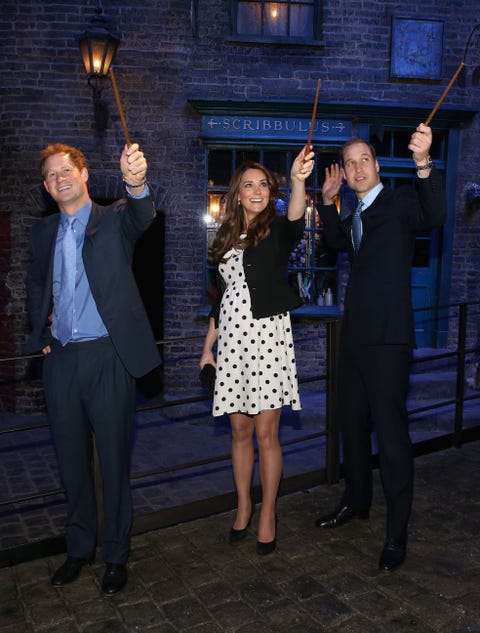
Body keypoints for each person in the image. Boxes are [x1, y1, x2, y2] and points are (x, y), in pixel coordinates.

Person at [24, 142, 160, 594]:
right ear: (46, 187)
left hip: (108, 356)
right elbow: (37, 284)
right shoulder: (43, 232)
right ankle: (79, 549)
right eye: (50, 175)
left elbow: (145, 214)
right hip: (61, 360)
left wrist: (136, 181)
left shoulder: (115, 218)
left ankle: (116, 554)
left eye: (66, 170)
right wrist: (42, 335)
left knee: (115, 459)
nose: (58, 179)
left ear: (83, 174)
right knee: (71, 462)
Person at [314, 123, 446, 571]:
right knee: (351, 425)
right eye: (348, 163)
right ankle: (357, 501)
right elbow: (334, 243)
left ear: (376, 163)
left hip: (389, 338)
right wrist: (327, 198)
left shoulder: (401, 202)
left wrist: (424, 163)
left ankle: (396, 532)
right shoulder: (353, 212)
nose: (355, 168)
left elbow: (436, 214)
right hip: (354, 337)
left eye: (362, 159)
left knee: (390, 438)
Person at [199, 146, 315, 555]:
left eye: (263, 184)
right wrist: (207, 349)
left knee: (267, 432)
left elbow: (298, 217)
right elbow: (221, 298)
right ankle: (243, 505)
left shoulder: (280, 229)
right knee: (239, 430)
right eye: (248, 184)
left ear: (270, 192)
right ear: (236, 193)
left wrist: (298, 181)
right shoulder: (226, 236)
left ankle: (268, 512)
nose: (256, 190)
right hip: (231, 342)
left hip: (268, 339)